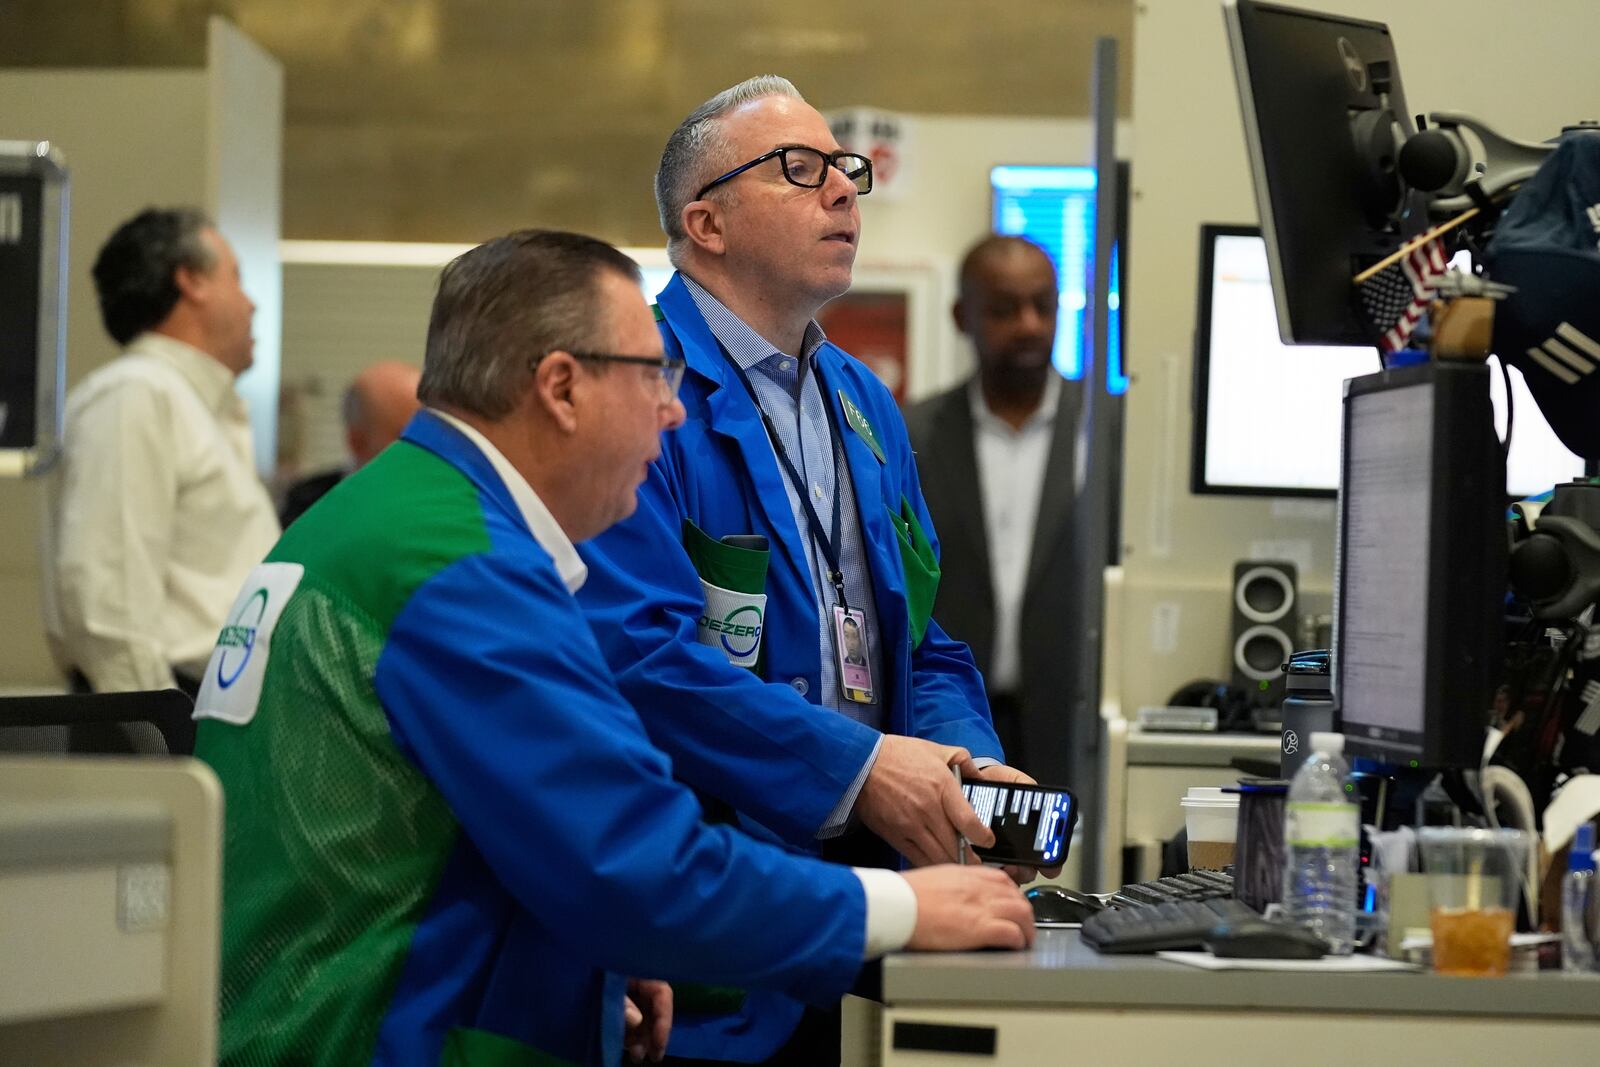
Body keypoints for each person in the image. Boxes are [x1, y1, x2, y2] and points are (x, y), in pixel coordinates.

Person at [191, 230, 1033, 1067]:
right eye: (653, 376)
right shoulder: (465, 570)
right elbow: (640, 863)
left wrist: (581, 967)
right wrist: (905, 909)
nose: (673, 411)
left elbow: (432, 828)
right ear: (561, 387)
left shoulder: (383, 517)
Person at [574, 76, 1039, 1065]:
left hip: (870, 903)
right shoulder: (637, 383)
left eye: (846, 170)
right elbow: (636, 659)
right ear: (705, 222)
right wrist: (861, 768)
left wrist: (962, 759)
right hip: (710, 918)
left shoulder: (862, 400)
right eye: (800, 169)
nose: (843, 192)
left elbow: (921, 640)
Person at [42, 207, 279, 745]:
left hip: (198, 710)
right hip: (162, 719)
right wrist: (158, 753)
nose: (252, 301)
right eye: (237, 278)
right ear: (190, 281)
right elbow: (109, 611)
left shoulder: (187, 404)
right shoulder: (134, 397)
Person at [904, 234, 1091, 798]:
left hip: (1072, 720)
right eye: (1005, 309)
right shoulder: (914, 434)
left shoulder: (1106, 432)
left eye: (1043, 305)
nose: (1030, 325)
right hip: (950, 723)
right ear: (964, 316)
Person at [280, 360, 422, 527]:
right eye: (408, 438)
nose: (426, 449)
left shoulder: (445, 503)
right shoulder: (309, 509)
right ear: (357, 442)